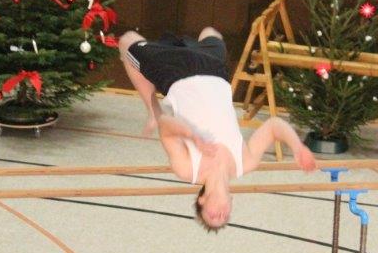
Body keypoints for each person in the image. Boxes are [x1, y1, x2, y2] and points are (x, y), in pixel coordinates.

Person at [119, 27, 316, 231]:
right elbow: (274, 126)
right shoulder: (245, 162)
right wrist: (297, 147)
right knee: (211, 32)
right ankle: (196, 43)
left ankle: (151, 109)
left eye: (213, 216)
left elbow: (165, 125)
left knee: (126, 42)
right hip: (215, 70)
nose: (221, 214)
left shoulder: (187, 169)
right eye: (225, 216)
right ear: (231, 202)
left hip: (176, 70)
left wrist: (192, 137)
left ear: (201, 200)